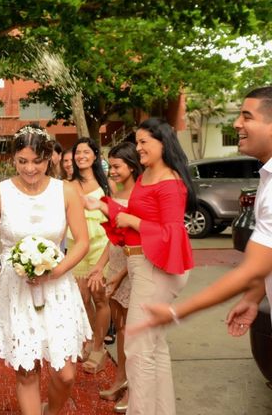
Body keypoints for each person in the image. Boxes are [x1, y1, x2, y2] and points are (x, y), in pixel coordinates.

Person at [131, 87, 272, 338]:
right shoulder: (266, 178)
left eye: (247, 116)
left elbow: (252, 268)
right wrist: (253, 297)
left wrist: (177, 312)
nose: (237, 123)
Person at [84, 117, 196, 415]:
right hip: (140, 265)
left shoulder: (171, 182)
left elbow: (172, 232)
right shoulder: (148, 175)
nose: (139, 147)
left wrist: (133, 220)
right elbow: (135, 215)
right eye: (138, 142)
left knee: (137, 348)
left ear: (164, 143)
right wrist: (104, 206)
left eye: (145, 141)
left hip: (155, 268)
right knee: (153, 347)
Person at [0, 125, 91, 415]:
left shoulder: (65, 191)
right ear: (13, 160)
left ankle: (51, 411)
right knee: (27, 369)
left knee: (65, 373)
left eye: (37, 161)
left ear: (49, 159)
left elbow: (82, 242)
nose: (30, 168)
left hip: (57, 286)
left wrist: (54, 271)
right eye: (22, 161)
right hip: (14, 288)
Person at [86, 142, 142, 413]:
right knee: (120, 330)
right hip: (118, 266)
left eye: (117, 166)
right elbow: (114, 240)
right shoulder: (116, 193)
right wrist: (99, 267)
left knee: (133, 334)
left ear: (131, 166)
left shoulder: (140, 197)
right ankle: (121, 379)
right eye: (110, 165)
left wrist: (121, 275)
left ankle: (136, 389)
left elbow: (141, 241)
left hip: (134, 269)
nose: (112, 170)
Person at [67, 137, 111, 374]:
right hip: (77, 245)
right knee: (82, 298)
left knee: (100, 296)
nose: (81, 156)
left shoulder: (106, 184)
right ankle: (93, 338)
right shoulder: (68, 184)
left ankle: (99, 347)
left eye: (86, 152)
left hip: (100, 245)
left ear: (95, 156)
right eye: (78, 152)